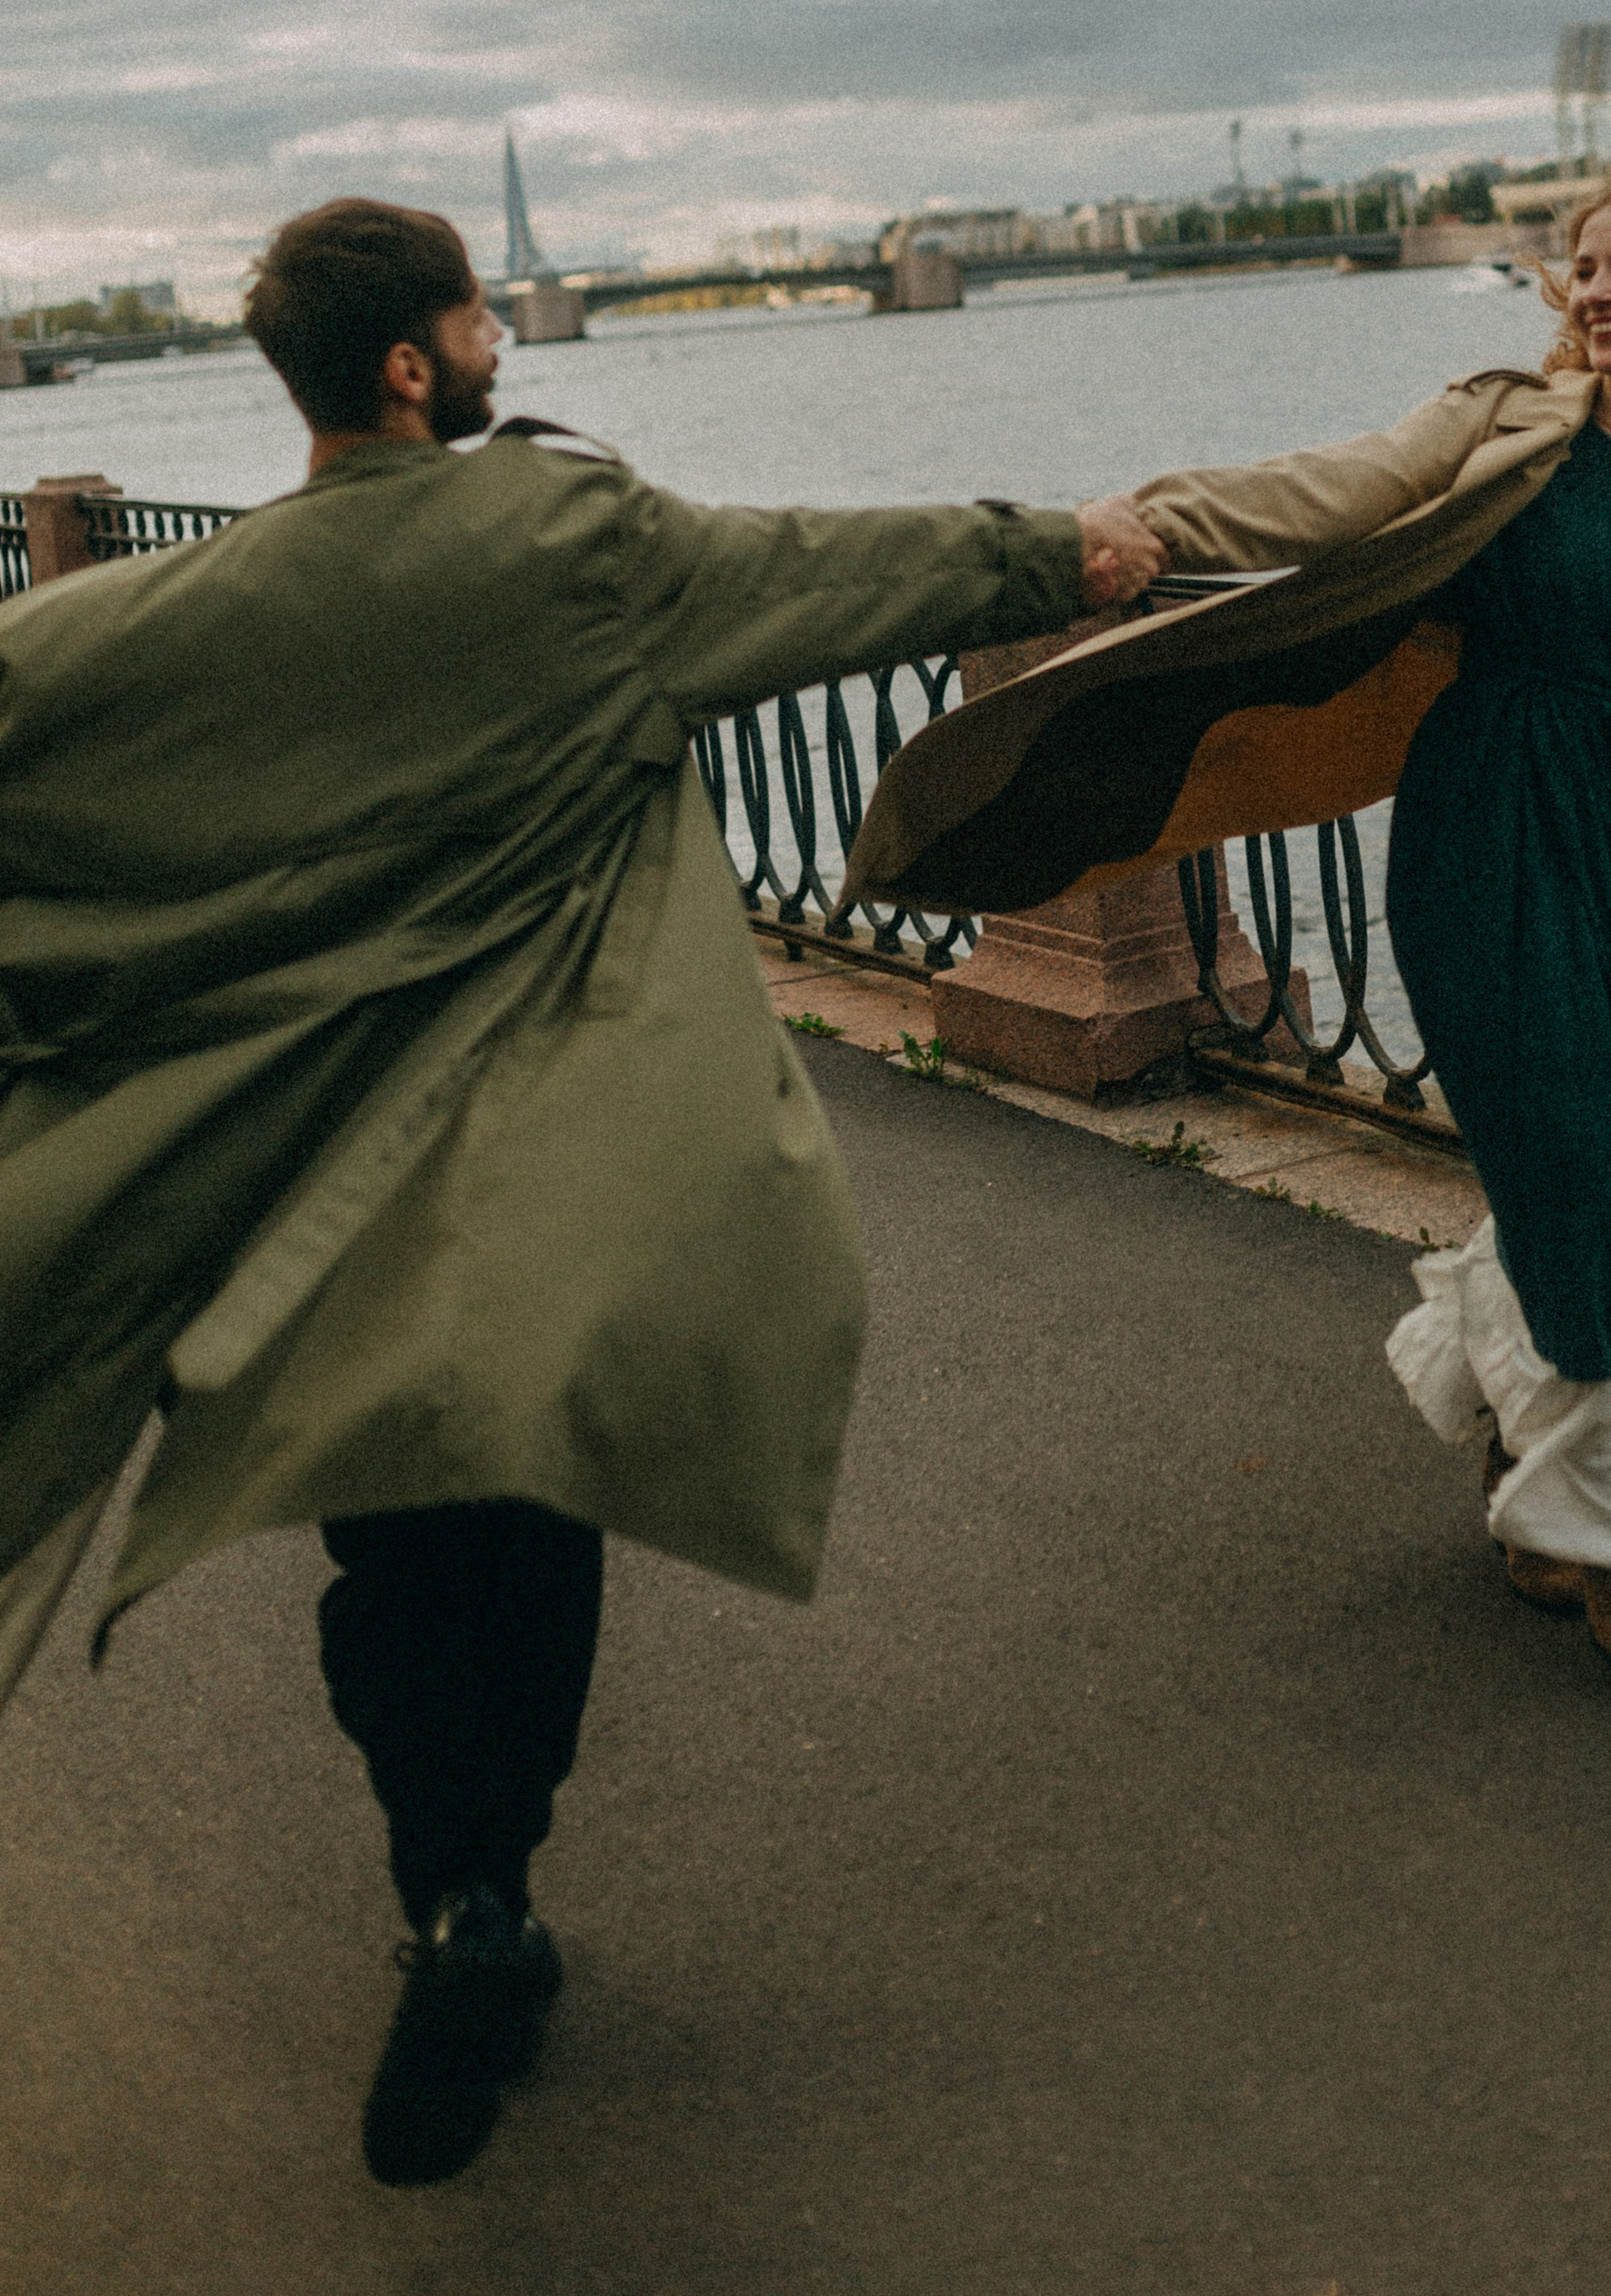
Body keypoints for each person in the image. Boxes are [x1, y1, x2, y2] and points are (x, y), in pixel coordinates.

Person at [0, 196, 1165, 2186]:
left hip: (305, 1182)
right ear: (404, 362)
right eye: (472, 318)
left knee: (384, 1554)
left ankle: (446, 1885)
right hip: (529, 1171)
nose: (496, 345)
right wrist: (1062, 548)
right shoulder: (566, 546)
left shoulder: (183, 613)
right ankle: (492, 1889)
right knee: (527, 1521)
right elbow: (825, 575)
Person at [845, 165, 1611, 1687]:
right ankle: (1608, 1530)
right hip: (1494, 821)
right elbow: (1321, 495)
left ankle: (1523, 1440)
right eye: (1580, 266)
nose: (1594, 289)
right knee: (1577, 1147)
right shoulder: (1515, 429)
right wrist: (1126, 530)